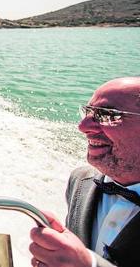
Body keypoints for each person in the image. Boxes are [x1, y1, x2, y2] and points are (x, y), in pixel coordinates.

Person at [29, 77, 140, 267]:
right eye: (87, 112)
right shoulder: (81, 181)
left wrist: (87, 264)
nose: (83, 127)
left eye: (106, 115)